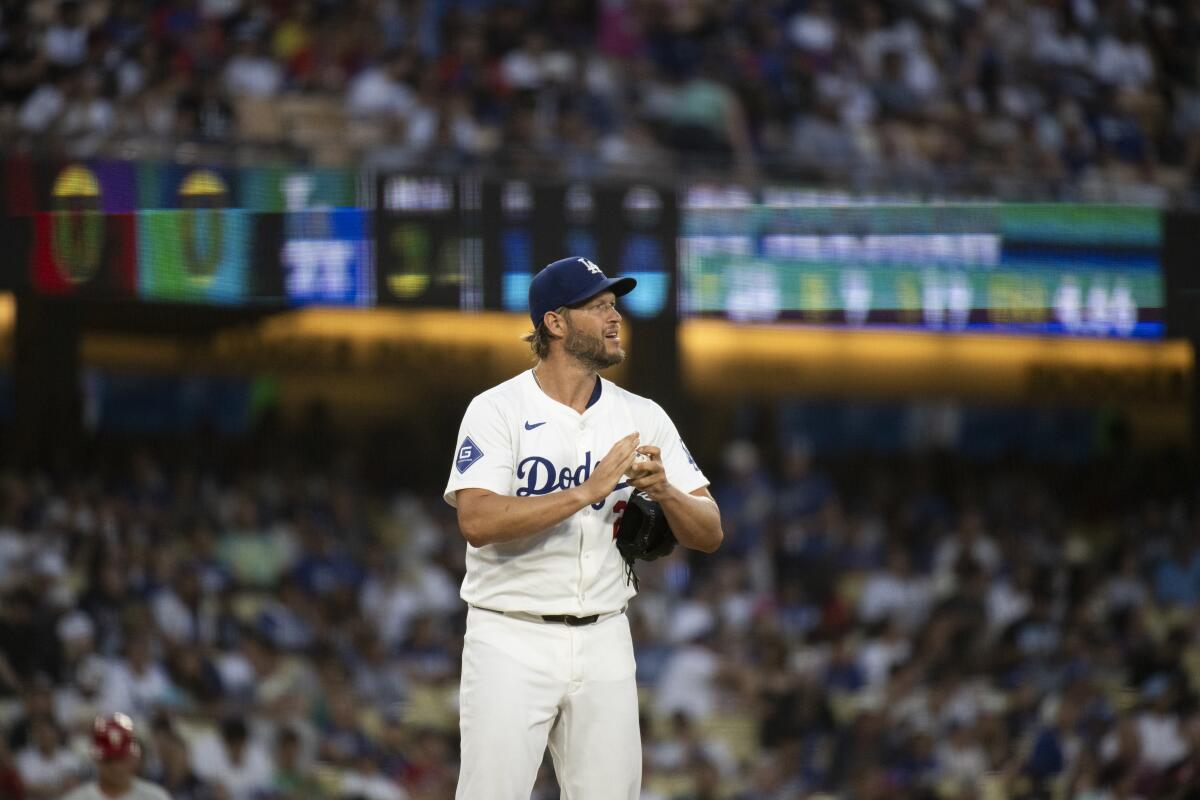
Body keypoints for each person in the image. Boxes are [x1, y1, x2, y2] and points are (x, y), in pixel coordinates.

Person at [443, 256, 724, 799]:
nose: (614, 317)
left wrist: (665, 490)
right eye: (597, 307)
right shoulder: (496, 410)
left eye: (613, 305)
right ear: (555, 323)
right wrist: (586, 491)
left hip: (605, 635)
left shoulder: (643, 414)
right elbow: (476, 520)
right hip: (510, 633)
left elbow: (709, 531)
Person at [61, 713, 172, 800]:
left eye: (121, 758)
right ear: (96, 759)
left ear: (133, 757)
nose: (116, 767)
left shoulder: (155, 797)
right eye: (109, 760)